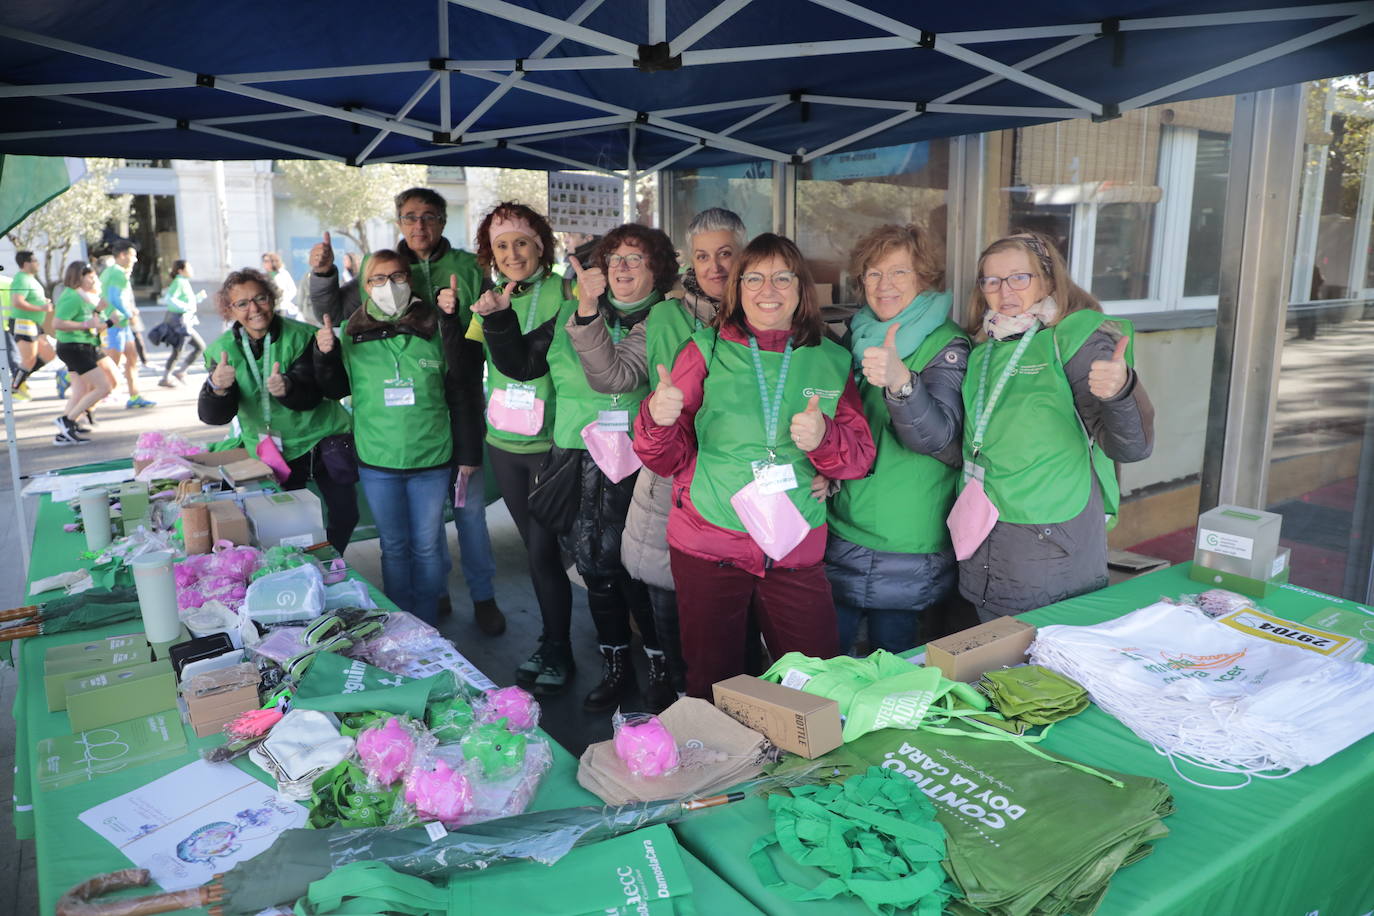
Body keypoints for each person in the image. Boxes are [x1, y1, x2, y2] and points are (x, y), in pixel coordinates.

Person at [633, 233, 876, 698]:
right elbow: (666, 458)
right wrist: (657, 419)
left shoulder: (831, 358)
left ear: (802, 288)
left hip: (794, 542)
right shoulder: (704, 350)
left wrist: (825, 441)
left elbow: (859, 455)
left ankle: (806, 768)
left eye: (783, 277)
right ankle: (726, 765)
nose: (769, 289)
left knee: (815, 681)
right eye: (755, 278)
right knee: (713, 679)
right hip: (709, 539)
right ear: (737, 290)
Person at [480, 223, 687, 712]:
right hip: (576, 460)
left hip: (641, 465)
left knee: (640, 573)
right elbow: (523, 365)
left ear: (657, 269)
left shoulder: (667, 319)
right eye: (613, 259)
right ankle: (615, 665)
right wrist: (500, 321)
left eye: (635, 259)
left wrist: (590, 312)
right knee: (595, 568)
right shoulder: (571, 313)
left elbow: (613, 375)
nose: (621, 268)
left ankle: (659, 666)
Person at [309, 188, 505, 633]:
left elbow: (478, 346)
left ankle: (483, 596)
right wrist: (323, 273)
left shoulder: (468, 269)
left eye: (430, 217)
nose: (420, 226)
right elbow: (331, 313)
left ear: (442, 222)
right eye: (410, 217)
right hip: (388, 449)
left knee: (468, 516)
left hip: (457, 404)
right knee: (412, 542)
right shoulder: (381, 277)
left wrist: (455, 322)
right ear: (398, 222)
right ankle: (428, 607)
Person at [579, 207, 747, 701]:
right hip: (674, 480)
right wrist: (588, 314)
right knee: (672, 613)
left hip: (744, 489)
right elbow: (614, 377)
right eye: (702, 256)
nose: (715, 266)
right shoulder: (665, 315)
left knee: (741, 622)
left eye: (725, 254)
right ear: (689, 263)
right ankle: (678, 708)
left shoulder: (764, 309)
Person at [958, 231, 1155, 621]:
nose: (1004, 291)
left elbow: (1132, 447)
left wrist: (1120, 392)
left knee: (1045, 663)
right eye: (991, 281)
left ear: (1049, 280)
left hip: (1050, 539)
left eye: (1019, 277)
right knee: (996, 662)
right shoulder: (986, 348)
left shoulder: (1077, 340)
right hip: (985, 531)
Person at [824, 224, 968, 654]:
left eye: (899, 272)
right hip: (844, 522)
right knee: (827, 663)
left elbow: (939, 437)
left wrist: (903, 384)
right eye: (873, 273)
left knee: (892, 667)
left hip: (906, 540)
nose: (884, 285)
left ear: (925, 279)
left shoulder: (947, 346)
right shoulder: (859, 334)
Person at [464, 203, 577, 691]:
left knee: (546, 551)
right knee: (535, 551)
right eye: (501, 245)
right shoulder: (489, 298)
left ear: (541, 246)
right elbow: (468, 360)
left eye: (522, 243)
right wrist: (453, 320)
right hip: (503, 443)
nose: (512, 253)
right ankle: (553, 643)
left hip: (550, 443)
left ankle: (560, 649)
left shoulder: (565, 292)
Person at [198, 268, 358, 553]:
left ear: (272, 298)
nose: (254, 309)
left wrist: (289, 387)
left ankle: (331, 562)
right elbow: (215, 416)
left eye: (260, 298)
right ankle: (302, 569)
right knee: (286, 522)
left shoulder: (304, 336)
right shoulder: (220, 351)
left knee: (345, 515)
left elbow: (318, 391)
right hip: (273, 451)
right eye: (242, 303)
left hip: (325, 439)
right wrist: (216, 388)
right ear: (230, 310)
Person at [50, 261, 116, 445]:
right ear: (79, 277)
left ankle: (65, 432)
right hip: (74, 347)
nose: (94, 279)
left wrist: (99, 312)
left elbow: (93, 323)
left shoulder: (83, 296)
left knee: (80, 391)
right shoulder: (72, 296)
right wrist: (87, 324)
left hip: (80, 346)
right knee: (104, 387)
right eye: (90, 276)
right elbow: (57, 323)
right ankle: (67, 421)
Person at [99, 242, 156, 409]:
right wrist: (129, 314)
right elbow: (114, 298)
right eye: (133, 255)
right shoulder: (117, 273)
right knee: (110, 364)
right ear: (122, 255)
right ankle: (72, 381)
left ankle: (134, 396)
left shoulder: (113, 272)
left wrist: (129, 312)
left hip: (120, 324)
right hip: (114, 325)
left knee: (131, 359)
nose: (136, 259)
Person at [8, 251, 62, 400]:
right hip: (23, 322)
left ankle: (21, 379)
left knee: (48, 354)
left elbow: (30, 298)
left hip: (34, 323)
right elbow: (17, 301)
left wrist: (42, 301)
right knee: (29, 359)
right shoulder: (22, 279)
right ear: (26, 263)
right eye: (35, 261)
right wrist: (41, 308)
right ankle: (15, 389)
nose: (37, 263)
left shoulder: (30, 279)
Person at [159, 260, 207, 387]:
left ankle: (177, 373)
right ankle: (169, 376)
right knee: (183, 349)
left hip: (183, 321)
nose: (191, 269)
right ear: (180, 270)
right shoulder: (179, 282)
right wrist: (185, 307)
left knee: (193, 347)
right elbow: (170, 299)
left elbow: (186, 302)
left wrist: (198, 298)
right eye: (189, 267)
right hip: (178, 321)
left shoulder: (183, 282)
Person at [261, 252, 300, 319]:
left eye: (267, 261)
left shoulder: (283, 274)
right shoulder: (264, 276)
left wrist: (283, 300)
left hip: (282, 307)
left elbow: (293, 290)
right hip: (269, 307)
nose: (265, 263)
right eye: (264, 261)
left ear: (274, 261)